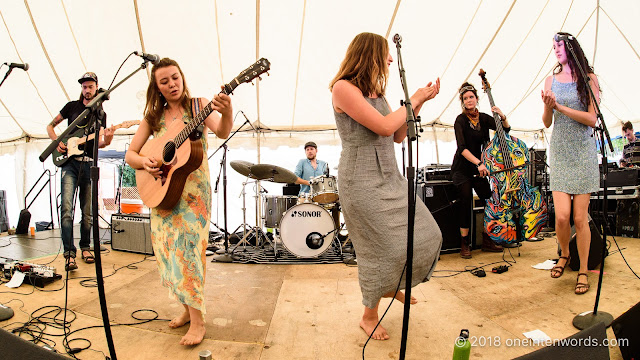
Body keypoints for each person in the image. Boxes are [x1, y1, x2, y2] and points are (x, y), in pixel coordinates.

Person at [329, 32, 442, 340]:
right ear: (370, 55)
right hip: (361, 181)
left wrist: (417, 106)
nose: (391, 60)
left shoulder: (377, 93)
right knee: (379, 249)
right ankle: (369, 315)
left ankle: (393, 285)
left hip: (390, 175)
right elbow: (381, 126)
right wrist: (414, 99)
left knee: (429, 234)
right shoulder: (343, 88)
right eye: (385, 54)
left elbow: (397, 135)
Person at [125, 58, 233, 345]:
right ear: (157, 88)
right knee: (167, 254)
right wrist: (146, 162)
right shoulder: (153, 117)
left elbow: (222, 131)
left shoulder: (198, 107)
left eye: (175, 78)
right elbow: (131, 154)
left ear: (182, 78)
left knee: (188, 254)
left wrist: (228, 109)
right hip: (161, 193)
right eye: (164, 81)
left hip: (194, 196)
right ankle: (186, 310)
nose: (172, 84)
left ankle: (198, 322)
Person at [542, 32, 600, 295]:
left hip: (583, 152)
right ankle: (564, 253)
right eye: (553, 46)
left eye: (559, 45)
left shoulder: (589, 79)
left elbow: (592, 119)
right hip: (561, 153)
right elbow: (546, 122)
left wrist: (561, 108)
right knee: (563, 217)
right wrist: (548, 106)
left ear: (571, 47)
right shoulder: (550, 80)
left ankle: (584, 269)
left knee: (580, 218)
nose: (555, 50)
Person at [46, 72, 114, 271]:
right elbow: (50, 126)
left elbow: (99, 143)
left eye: (90, 86)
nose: (87, 90)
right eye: (84, 86)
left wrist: (108, 140)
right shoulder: (71, 107)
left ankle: (85, 248)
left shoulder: (100, 115)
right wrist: (57, 141)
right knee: (66, 209)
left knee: (87, 213)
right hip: (69, 164)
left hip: (88, 164)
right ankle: (69, 254)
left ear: (96, 88)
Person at [451, 82, 508, 258]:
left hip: (479, 169)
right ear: (462, 101)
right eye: (465, 98)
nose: (469, 100)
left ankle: (487, 239)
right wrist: (479, 163)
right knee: (466, 199)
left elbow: (504, 129)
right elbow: (462, 148)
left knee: (489, 200)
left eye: (471, 97)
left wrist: (502, 116)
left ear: (476, 98)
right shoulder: (460, 120)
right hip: (462, 169)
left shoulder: (483, 118)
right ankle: (464, 243)